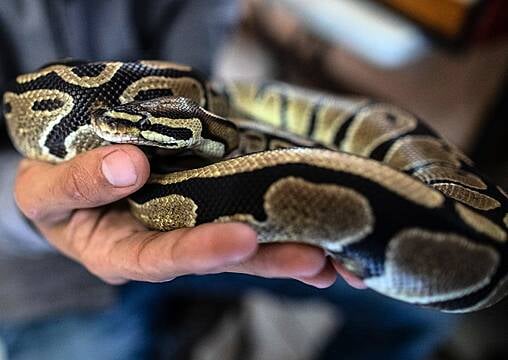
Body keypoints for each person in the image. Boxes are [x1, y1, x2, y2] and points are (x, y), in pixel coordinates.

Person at [0, 1, 453, 359]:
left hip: (183, 208)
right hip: (36, 281)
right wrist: (30, 209)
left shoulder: (198, 122)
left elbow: (199, 84)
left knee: (421, 312)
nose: (111, 126)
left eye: (133, 127)